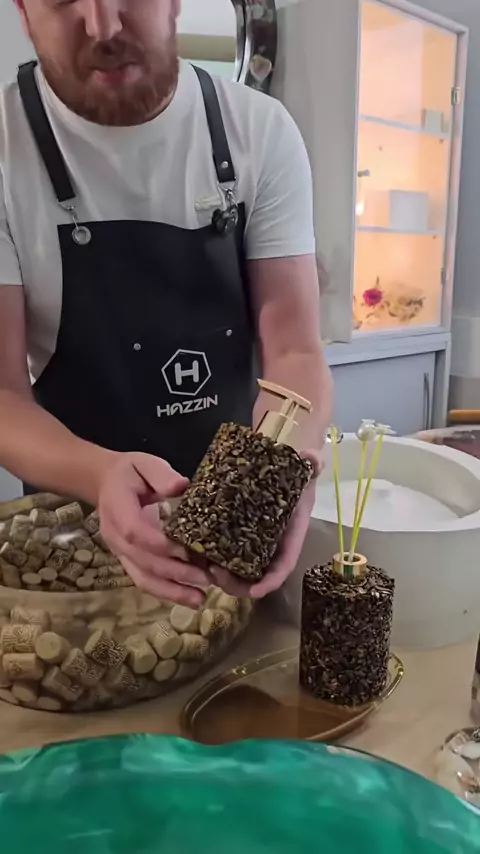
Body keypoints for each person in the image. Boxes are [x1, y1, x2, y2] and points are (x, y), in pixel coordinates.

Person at [0, 0, 332, 608]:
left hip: (233, 534)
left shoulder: (259, 131)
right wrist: (99, 475)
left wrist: (280, 474)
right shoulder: (5, 146)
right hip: (73, 546)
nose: (104, 25)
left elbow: (295, 350)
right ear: (23, 12)